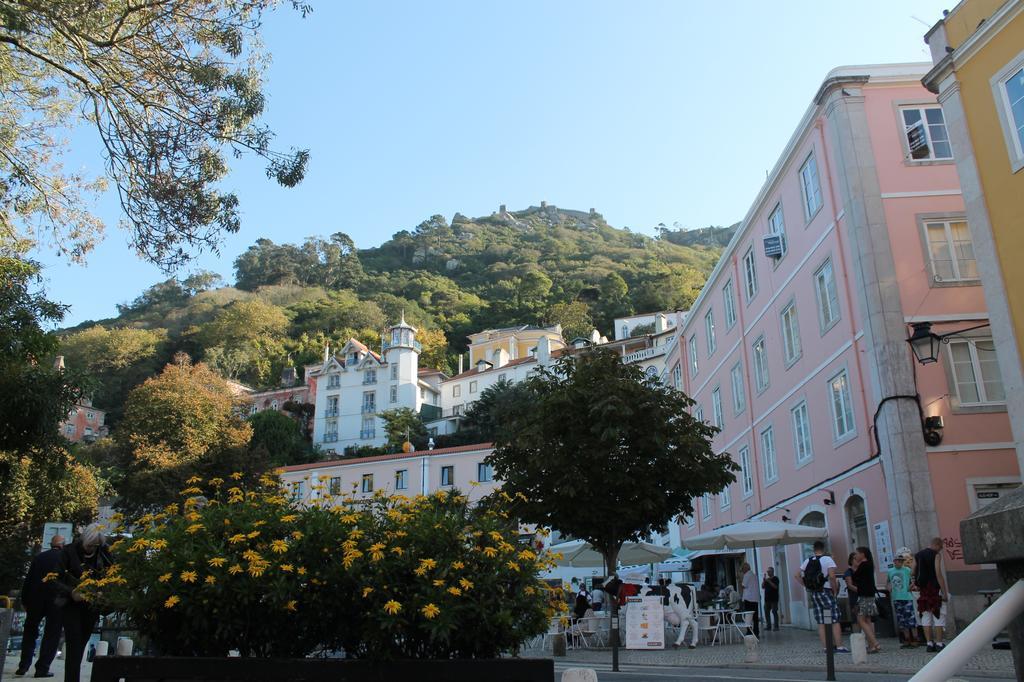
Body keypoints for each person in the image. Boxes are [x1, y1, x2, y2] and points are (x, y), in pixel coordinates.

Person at [54, 523, 114, 682]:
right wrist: (72, 592)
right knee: (74, 643)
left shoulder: (104, 553)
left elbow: (112, 574)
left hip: (92, 606)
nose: (92, 548)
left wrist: (104, 591)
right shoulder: (68, 552)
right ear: (84, 540)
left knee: (81, 643)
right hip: (72, 604)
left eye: (96, 545)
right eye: (90, 544)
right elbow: (55, 579)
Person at [16, 535, 66, 678]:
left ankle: (23, 665)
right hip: (56, 602)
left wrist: (25, 600)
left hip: (35, 600)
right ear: (63, 545)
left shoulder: (39, 558)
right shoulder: (65, 559)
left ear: (51, 544)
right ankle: (42, 668)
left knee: (30, 631)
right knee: (52, 634)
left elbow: (29, 579)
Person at [795, 540, 849, 653]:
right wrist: (834, 590)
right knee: (834, 619)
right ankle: (839, 646)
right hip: (826, 590)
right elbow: (832, 577)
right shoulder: (828, 559)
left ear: (814, 549)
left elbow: (796, 575)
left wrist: (807, 586)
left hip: (814, 592)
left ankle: (826, 647)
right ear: (823, 549)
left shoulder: (808, 560)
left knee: (821, 621)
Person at [914, 537, 949, 652]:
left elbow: (913, 571)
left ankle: (929, 643)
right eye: (941, 547)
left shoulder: (918, 555)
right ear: (937, 545)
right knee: (939, 615)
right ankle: (939, 643)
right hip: (934, 588)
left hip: (923, 590)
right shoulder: (936, 555)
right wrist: (944, 591)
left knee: (925, 616)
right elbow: (938, 573)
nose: (941, 549)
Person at [850, 546, 881, 653]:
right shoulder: (869, 564)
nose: (856, 556)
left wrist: (854, 568)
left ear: (862, 554)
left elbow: (855, 577)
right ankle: (872, 646)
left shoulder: (863, 565)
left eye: (857, 554)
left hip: (865, 595)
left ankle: (875, 642)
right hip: (870, 595)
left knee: (861, 619)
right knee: (867, 620)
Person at [887, 554, 919, 648]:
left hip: (907, 597)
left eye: (901, 561)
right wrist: (888, 587)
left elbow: (913, 579)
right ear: (894, 561)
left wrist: (912, 585)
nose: (899, 562)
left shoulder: (907, 570)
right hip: (896, 597)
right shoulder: (890, 571)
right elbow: (888, 581)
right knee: (901, 620)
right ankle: (907, 639)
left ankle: (915, 639)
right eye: (898, 560)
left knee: (911, 619)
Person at [739, 562, 760, 637]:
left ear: (745, 568)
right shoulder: (754, 575)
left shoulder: (747, 575)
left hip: (748, 598)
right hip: (755, 598)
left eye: (742, 569)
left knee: (748, 616)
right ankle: (756, 632)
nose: (742, 571)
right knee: (755, 616)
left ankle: (749, 632)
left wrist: (740, 579)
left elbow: (743, 585)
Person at [843, 553, 859, 631]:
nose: (858, 560)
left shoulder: (862, 570)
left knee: (867, 618)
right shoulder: (848, 572)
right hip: (854, 597)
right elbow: (849, 585)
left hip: (865, 597)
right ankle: (857, 637)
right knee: (856, 618)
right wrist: (861, 590)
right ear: (851, 560)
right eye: (856, 559)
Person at [762, 567, 780, 631]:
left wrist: (769, 581)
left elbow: (775, 587)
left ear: (772, 571)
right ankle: (768, 626)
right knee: (766, 612)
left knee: (774, 612)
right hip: (767, 599)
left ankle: (776, 626)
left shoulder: (775, 578)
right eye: (767, 571)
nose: (768, 572)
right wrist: (764, 581)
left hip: (774, 599)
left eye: (769, 571)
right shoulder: (767, 579)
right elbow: (763, 587)